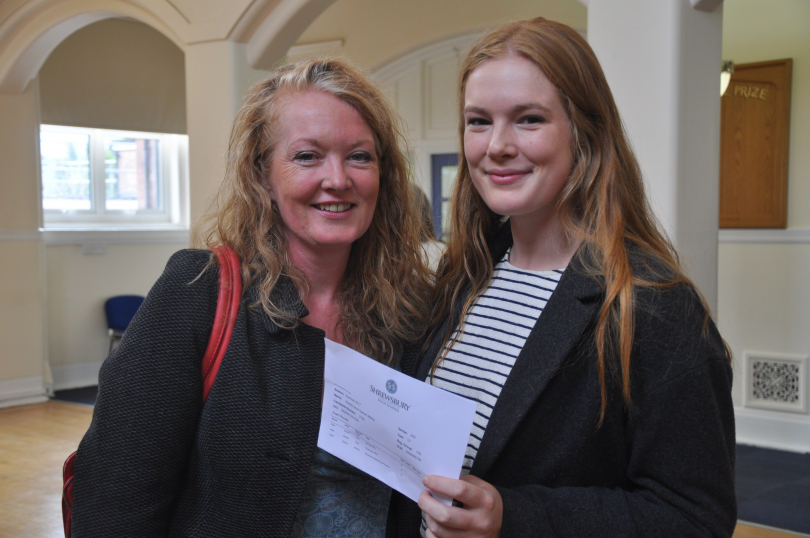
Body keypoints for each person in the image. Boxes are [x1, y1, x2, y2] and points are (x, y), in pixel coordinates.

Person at [401, 17, 737, 538]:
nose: (497, 146)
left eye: (529, 119)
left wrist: (513, 518)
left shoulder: (652, 305)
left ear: (585, 131)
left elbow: (695, 517)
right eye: (478, 121)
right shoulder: (464, 276)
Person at [70, 58, 432, 537]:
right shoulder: (196, 292)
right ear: (263, 174)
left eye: (359, 156)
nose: (338, 179)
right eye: (307, 156)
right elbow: (114, 506)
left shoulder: (408, 309)